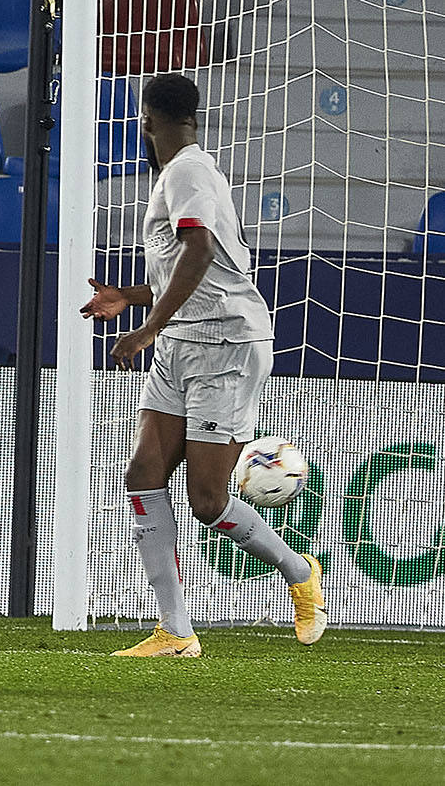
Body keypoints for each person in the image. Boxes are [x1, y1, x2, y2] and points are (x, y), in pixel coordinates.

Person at [80, 72, 326, 657]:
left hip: (225, 346)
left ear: (148, 118)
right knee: (143, 475)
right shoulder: (177, 174)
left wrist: (148, 326)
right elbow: (188, 271)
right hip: (183, 342)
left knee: (207, 502)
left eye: (139, 118)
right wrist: (133, 298)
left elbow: (201, 250)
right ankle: (176, 631)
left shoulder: (189, 169)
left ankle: (300, 573)